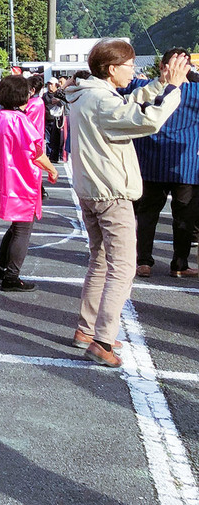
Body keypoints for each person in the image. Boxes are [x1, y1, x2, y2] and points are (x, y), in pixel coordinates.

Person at [63, 39, 188, 368]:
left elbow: (129, 103)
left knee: (100, 262)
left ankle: (86, 330)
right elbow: (147, 121)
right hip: (111, 194)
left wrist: (160, 84)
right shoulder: (100, 100)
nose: (133, 71)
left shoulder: (86, 93)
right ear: (111, 68)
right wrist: (173, 88)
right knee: (123, 267)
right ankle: (103, 340)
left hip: (91, 191)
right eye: (129, 65)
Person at [0, 75, 58, 292]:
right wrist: (52, 169)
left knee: (17, 226)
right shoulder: (20, 120)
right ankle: (12, 275)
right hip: (21, 179)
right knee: (23, 228)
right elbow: (37, 152)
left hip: (2, 177)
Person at [129, 48, 199, 279]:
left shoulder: (144, 88)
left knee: (147, 214)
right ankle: (179, 264)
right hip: (184, 165)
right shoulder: (195, 91)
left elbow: (120, 91)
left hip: (149, 161)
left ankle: (143, 262)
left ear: (162, 67)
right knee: (184, 218)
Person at [42, 77, 66, 162]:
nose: (49, 86)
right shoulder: (44, 95)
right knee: (48, 139)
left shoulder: (59, 94)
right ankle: (49, 155)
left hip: (57, 120)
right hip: (47, 119)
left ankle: (58, 155)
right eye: (48, 84)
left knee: (58, 139)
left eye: (51, 84)